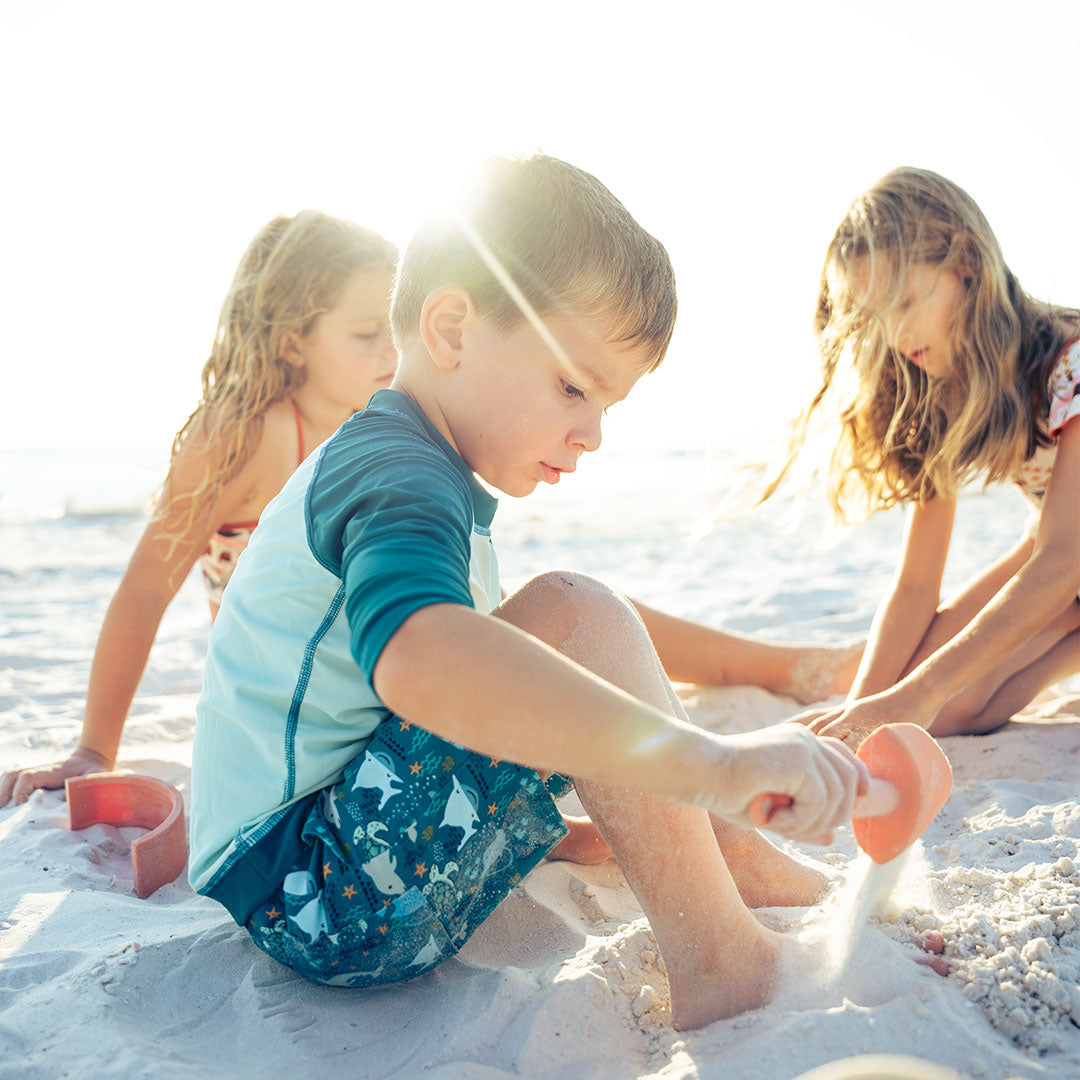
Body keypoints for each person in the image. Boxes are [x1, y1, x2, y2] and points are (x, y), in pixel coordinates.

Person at [187, 154, 868, 1030]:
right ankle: (724, 963)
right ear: (452, 330)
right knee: (576, 615)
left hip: (321, 885)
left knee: (574, 657)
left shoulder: (422, 472)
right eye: (573, 387)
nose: (591, 434)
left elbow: (498, 713)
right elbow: (423, 664)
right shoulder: (393, 472)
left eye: (607, 406)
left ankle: (727, 857)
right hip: (312, 888)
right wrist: (715, 765)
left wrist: (678, 792)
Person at [0, 212, 399, 805]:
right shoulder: (239, 438)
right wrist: (93, 751)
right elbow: (145, 589)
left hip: (359, 694)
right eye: (368, 332)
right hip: (274, 714)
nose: (392, 350)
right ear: (294, 341)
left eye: (397, 326)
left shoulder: (382, 430)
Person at [774, 167, 1080, 748]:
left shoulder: (1072, 363)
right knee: (933, 702)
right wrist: (860, 708)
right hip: (1058, 555)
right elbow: (916, 584)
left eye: (907, 302)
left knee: (937, 698)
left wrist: (915, 694)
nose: (897, 334)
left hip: (1065, 558)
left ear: (966, 262)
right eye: (878, 316)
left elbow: (1063, 562)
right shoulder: (940, 386)